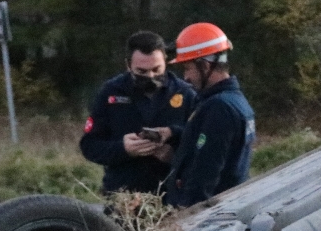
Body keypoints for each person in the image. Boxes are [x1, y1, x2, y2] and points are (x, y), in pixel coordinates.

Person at [79, 30, 197, 193]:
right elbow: (89, 146)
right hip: (124, 193)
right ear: (128, 65)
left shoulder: (185, 93)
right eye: (142, 72)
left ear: (166, 62)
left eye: (157, 70)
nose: (150, 76)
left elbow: (201, 142)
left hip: (171, 193)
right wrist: (123, 149)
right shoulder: (111, 92)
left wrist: (174, 153)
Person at [161, 22, 256, 207]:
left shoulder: (219, 108)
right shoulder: (233, 102)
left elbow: (205, 172)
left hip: (208, 218)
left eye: (188, 69)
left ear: (204, 65)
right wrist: (173, 134)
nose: (185, 78)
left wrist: (187, 216)